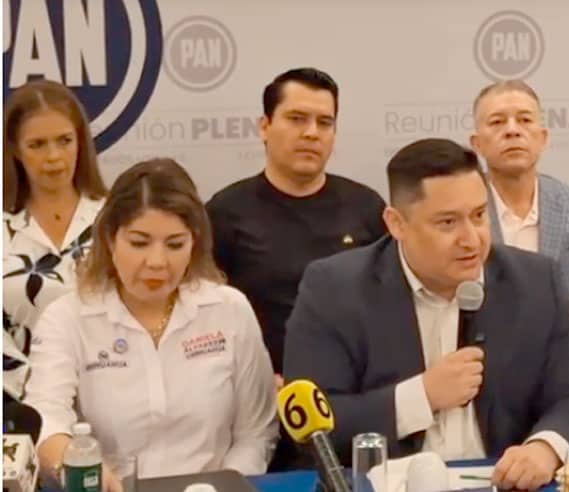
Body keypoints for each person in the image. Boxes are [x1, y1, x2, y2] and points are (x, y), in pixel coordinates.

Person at [283, 138, 569, 490]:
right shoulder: (334, 289)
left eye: (479, 215)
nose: (472, 239)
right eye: (448, 222)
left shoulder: (536, 283)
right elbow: (311, 432)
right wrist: (421, 396)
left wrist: (545, 449)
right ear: (396, 224)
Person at [24, 159, 278, 486]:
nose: (157, 262)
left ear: (194, 243)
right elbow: (46, 416)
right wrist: (80, 468)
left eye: (175, 245)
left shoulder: (229, 309)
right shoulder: (67, 318)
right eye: (139, 242)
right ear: (110, 239)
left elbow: (256, 432)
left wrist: (222, 484)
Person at [206, 67, 387, 379]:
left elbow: (390, 305)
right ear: (265, 126)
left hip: (356, 388)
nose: (311, 133)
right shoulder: (224, 212)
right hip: (263, 389)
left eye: (324, 122)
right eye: (297, 119)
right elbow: (207, 317)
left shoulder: (367, 207)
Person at [3, 79, 107, 403]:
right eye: (37, 145)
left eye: (64, 141)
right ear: (15, 150)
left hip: (111, 398)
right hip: (18, 403)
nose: (54, 156)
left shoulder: (114, 219)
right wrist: (37, 393)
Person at [470, 80, 569, 301]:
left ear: (543, 138)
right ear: (477, 143)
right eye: (497, 122)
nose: (512, 131)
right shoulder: (461, 212)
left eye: (525, 120)